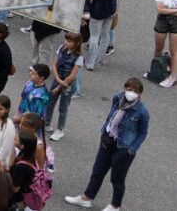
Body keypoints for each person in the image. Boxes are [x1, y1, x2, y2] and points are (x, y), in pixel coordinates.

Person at [63, 77, 149, 210]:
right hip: (108, 140)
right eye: (129, 89)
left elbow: (142, 133)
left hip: (123, 147)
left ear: (140, 94)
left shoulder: (142, 112)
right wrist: (105, 131)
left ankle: (115, 205)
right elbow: (112, 116)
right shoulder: (118, 98)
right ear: (124, 88)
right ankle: (87, 198)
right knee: (97, 171)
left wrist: (132, 149)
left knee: (117, 179)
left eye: (136, 91)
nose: (132, 93)